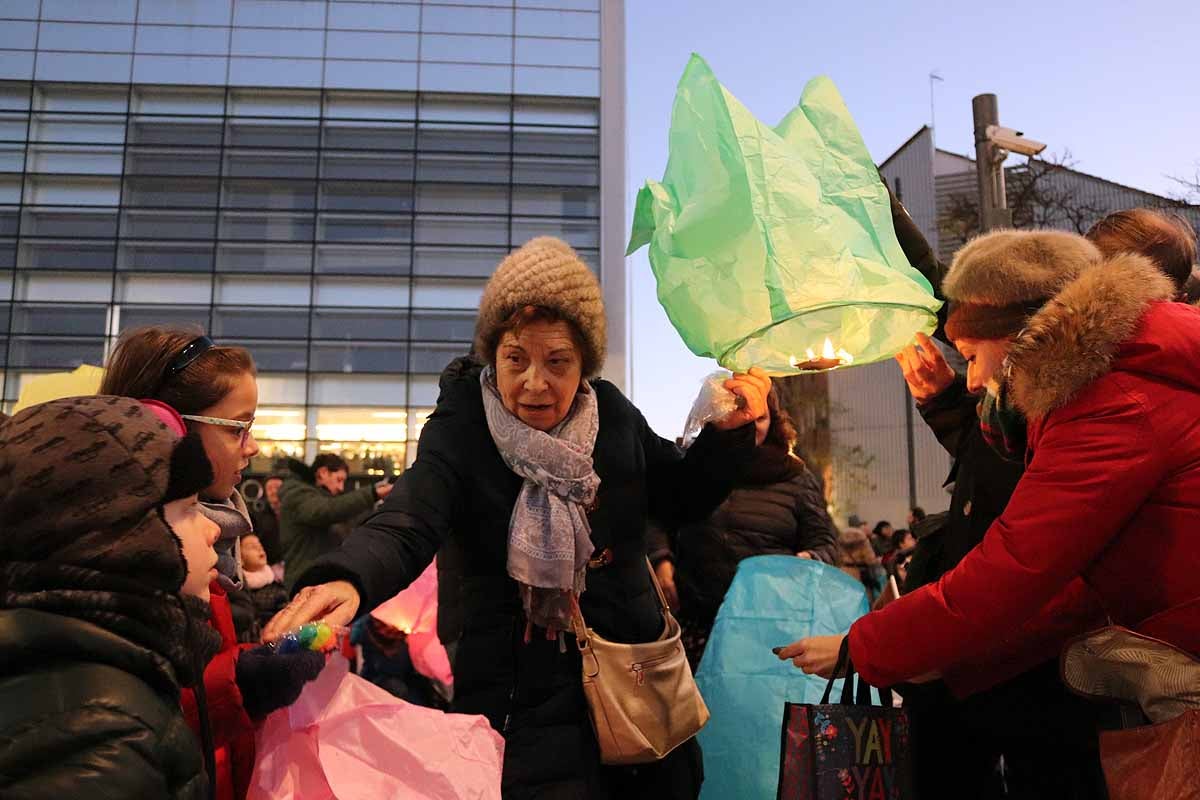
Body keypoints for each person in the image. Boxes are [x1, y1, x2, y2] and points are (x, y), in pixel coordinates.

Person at [264, 236, 771, 799]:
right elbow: (410, 515)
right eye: (515, 359)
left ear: (585, 365)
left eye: (557, 362)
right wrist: (349, 577)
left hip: (633, 678)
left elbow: (679, 497)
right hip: (515, 695)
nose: (535, 382)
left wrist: (727, 441)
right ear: (492, 353)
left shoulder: (614, 416)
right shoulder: (462, 429)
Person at [781, 228, 1200, 784]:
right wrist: (946, 660)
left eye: (974, 356)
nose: (972, 378)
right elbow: (1073, 589)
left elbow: (1014, 569)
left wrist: (865, 645)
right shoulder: (1117, 369)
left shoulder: (1111, 401)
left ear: (1023, 335)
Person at [101, 326, 323, 800]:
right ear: (170, 431)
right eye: (239, 426)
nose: (254, 446)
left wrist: (254, 661)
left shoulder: (195, 536)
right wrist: (240, 685)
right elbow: (111, 719)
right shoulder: (119, 555)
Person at [0, 396, 222, 799]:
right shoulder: (102, 732)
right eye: (189, 509)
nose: (213, 529)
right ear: (121, 538)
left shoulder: (110, 669)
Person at [650, 384, 838, 668]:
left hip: (768, 625)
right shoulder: (694, 470)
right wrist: (661, 559)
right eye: (737, 418)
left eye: (758, 419)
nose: (747, 428)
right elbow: (659, 516)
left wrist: (807, 561)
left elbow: (825, 543)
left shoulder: (796, 476)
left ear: (773, 421)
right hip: (697, 622)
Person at [278, 453, 392, 593]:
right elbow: (327, 511)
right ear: (323, 473)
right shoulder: (299, 495)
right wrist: (372, 494)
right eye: (339, 480)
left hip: (315, 580)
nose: (341, 488)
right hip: (306, 583)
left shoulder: (313, 496)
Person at [229, 533, 289, 644]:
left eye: (259, 544)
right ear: (239, 558)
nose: (259, 548)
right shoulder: (236, 587)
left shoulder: (276, 587)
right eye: (252, 546)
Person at [249, 474, 285, 568]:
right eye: (269, 488)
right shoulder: (258, 517)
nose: (273, 491)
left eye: (277, 487)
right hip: (269, 567)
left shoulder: (297, 514)